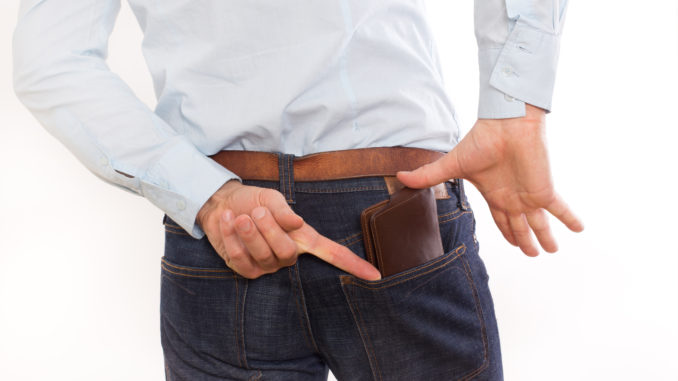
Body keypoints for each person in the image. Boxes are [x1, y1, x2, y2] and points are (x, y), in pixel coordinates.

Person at [13, 0, 582, 379]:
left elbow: (50, 60)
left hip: (228, 225)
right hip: (394, 207)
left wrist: (205, 195)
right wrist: (514, 111)